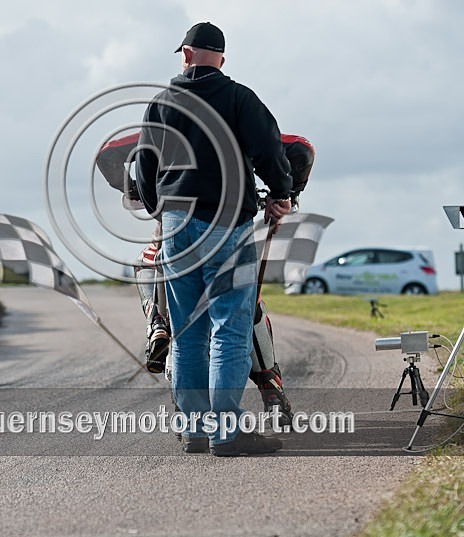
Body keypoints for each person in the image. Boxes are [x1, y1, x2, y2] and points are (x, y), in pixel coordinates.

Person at [135, 22, 294, 457]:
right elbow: (269, 150)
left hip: (176, 229)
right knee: (229, 328)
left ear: (186, 55)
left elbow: (144, 166)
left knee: (187, 333)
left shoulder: (161, 103)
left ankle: (195, 431)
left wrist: (159, 208)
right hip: (228, 224)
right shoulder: (241, 98)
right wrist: (281, 194)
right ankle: (227, 434)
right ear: (220, 58)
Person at [95, 131, 315, 422]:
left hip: (175, 233)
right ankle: (270, 389)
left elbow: (107, 153)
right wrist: (287, 192)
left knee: (149, 264)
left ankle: (157, 322)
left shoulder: (160, 127)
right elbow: (301, 148)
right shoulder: (239, 121)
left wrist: (135, 189)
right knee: (247, 303)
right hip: (228, 231)